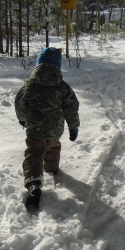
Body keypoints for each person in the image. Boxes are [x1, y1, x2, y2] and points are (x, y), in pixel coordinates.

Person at [15, 47, 80, 210]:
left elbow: (20, 103)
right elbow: (72, 107)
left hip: (35, 130)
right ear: (57, 66)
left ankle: (33, 183)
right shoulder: (62, 86)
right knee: (53, 148)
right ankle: (52, 169)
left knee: (34, 154)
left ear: (38, 65)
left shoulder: (29, 85)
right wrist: (73, 127)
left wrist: (23, 119)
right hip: (55, 130)